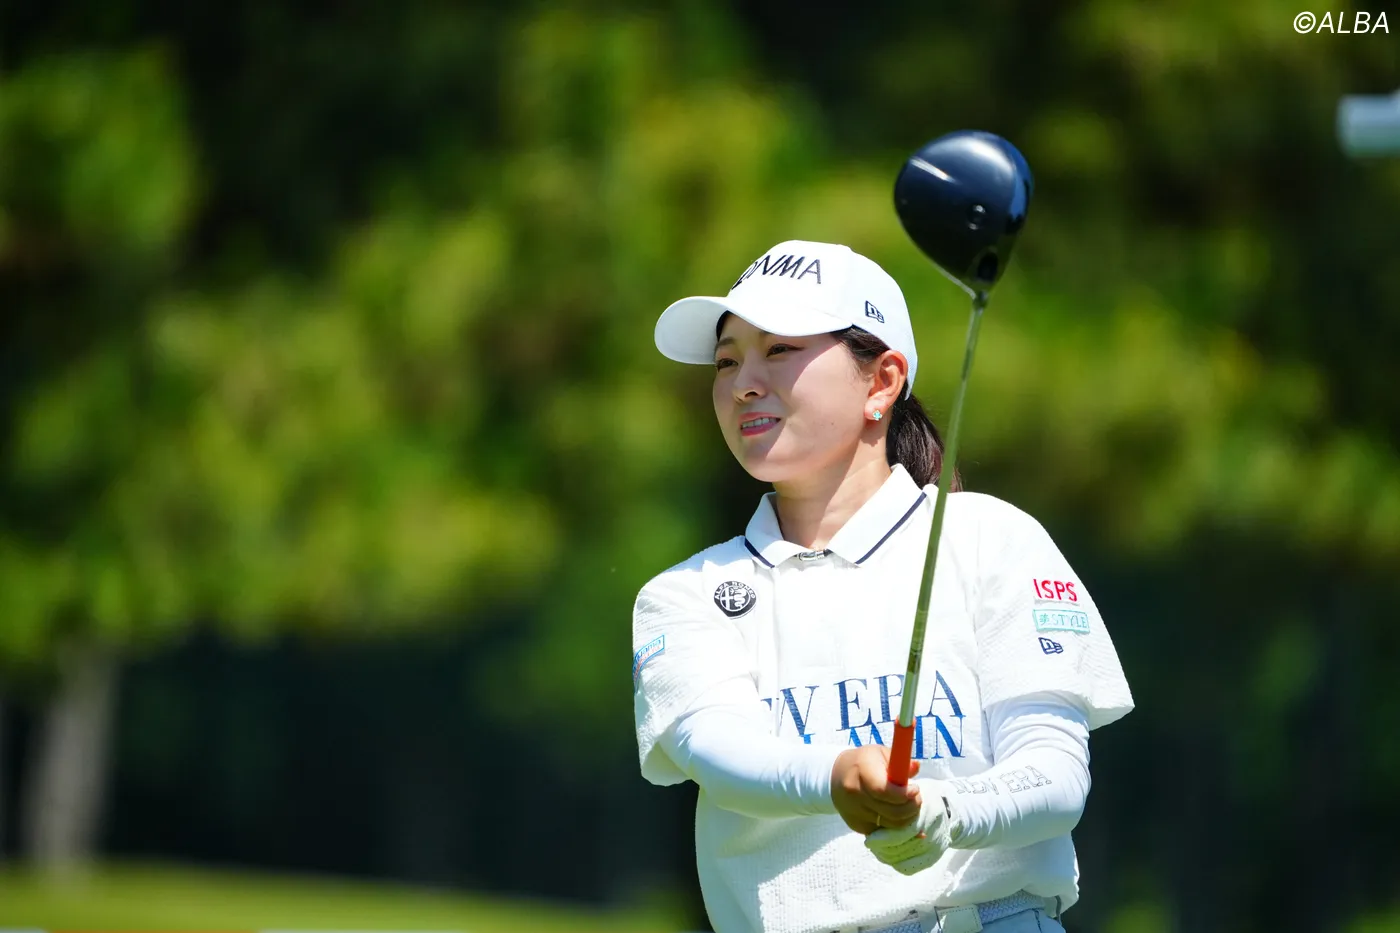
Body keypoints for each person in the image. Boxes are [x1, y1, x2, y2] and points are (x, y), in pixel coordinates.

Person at [632, 240, 1134, 933]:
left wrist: (944, 810)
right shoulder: (686, 593)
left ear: (881, 381)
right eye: (726, 361)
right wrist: (839, 777)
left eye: (779, 350)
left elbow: (1055, 773)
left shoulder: (992, 539)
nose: (744, 383)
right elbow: (718, 749)